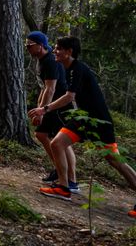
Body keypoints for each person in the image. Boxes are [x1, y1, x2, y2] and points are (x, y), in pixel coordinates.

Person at [28, 37, 136, 218]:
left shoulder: (78, 68)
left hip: (99, 121)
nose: (55, 51)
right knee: (57, 144)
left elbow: (69, 97)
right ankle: (64, 187)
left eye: (58, 49)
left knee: (115, 161)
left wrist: (44, 109)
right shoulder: (67, 69)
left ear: (69, 52)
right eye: (54, 48)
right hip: (83, 119)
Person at [25, 31, 78, 192]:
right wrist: (39, 107)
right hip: (51, 105)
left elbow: (51, 88)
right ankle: (60, 170)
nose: (27, 48)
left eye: (30, 45)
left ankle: (71, 180)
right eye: (26, 45)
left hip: (60, 106)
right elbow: (45, 88)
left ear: (41, 46)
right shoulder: (42, 61)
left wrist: (42, 111)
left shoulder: (50, 61)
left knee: (61, 140)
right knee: (42, 135)